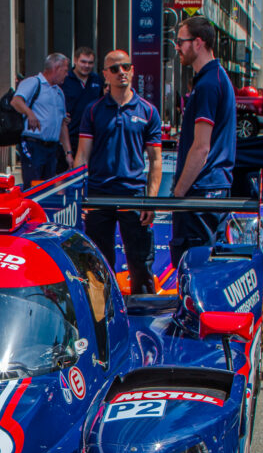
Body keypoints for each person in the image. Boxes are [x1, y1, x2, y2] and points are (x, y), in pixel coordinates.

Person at [74, 50, 162, 293]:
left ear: (133, 70)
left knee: (141, 263)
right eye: (114, 69)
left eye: (126, 67)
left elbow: (156, 160)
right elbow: (82, 157)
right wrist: (79, 198)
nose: (121, 72)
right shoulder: (93, 111)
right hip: (99, 195)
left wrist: (151, 201)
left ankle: (144, 319)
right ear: (105, 75)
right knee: (99, 263)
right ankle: (103, 320)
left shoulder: (148, 111)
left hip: (133, 196)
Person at [171, 16, 235, 267]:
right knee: (205, 265)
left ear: (198, 43)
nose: (176, 47)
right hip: (210, 189)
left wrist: (178, 193)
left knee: (194, 266)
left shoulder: (209, 83)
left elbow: (201, 147)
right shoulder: (213, 79)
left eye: (180, 41)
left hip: (201, 191)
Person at [11, 53, 73, 185]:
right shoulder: (33, 82)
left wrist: (68, 152)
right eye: (65, 70)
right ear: (56, 68)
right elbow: (16, 101)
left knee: (48, 186)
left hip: (52, 147)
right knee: (34, 184)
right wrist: (30, 113)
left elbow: (63, 125)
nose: (66, 75)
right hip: (34, 144)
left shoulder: (59, 92)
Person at [60, 46, 106, 161]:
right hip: (70, 136)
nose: (86, 66)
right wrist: (60, 114)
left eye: (90, 63)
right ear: (75, 60)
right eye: (83, 62)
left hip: (92, 136)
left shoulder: (97, 80)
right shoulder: (64, 80)